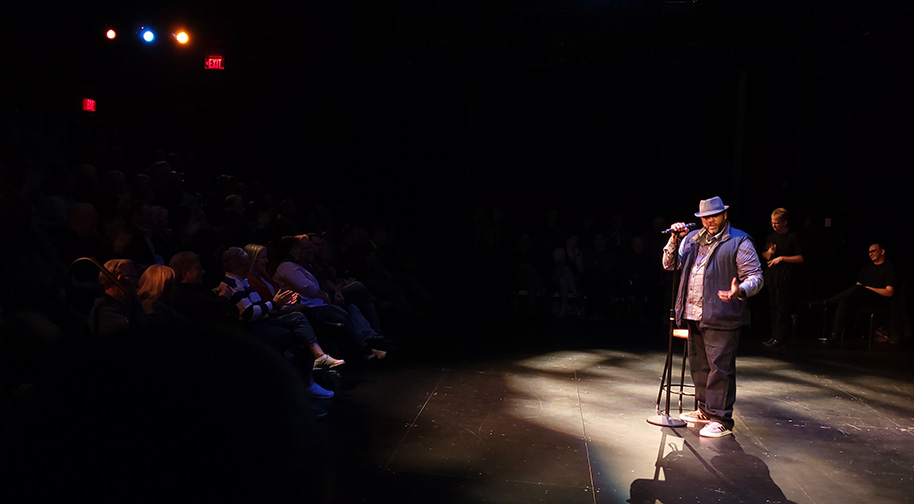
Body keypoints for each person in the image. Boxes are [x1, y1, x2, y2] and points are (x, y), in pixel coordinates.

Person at [662, 196, 764, 438]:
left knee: (720, 368)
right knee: (699, 366)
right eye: (705, 217)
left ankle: (721, 418)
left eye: (714, 216)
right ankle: (706, 410)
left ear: (724, 215)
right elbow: (669, 265)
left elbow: (756, 277)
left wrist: (740, 290)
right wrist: (674, 238)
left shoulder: (739, 240)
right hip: (693, 313)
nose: (710, 221)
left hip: (723, 315)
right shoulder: (691, 239)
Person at [819, 242, 896, 344]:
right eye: (869, 252)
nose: (870, 254)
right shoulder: (866, 267)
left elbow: (889, 292)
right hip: (863, 297)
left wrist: (868, 288)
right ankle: (835, 336)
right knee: (845, 301)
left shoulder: (889, 268)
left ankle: (828, 301)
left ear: (882, 252)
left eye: (873, 251)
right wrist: (862, 289)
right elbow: (858, 287)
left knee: (858, 288)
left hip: (879, 300)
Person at [760, 208, 804, 347]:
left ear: (785, 222)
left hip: (784, 275)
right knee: (773, 306)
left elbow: (800, 258)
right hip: (772, 275)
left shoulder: (792, 237)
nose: (774, 226)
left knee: (782, 307)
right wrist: (769, 252)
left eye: (777, 223)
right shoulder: (771, 237)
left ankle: (782, 337)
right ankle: (774, 335)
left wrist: (782, 258)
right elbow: (765, 256)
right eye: (773, 223)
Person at [87, 259, 149, 337]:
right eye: (133, 278)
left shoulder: (130, 303)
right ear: (120, 279)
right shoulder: (104, 311)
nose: (137, 284)